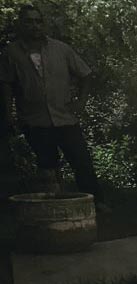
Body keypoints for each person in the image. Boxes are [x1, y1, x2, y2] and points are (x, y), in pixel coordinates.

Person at [0, 4, 101, 200]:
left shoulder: (61, 49)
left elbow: (86, 74)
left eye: (38, 21)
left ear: (43, 24)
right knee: (47, 167)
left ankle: (97, 203)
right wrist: (9, 113)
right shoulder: (11, 53)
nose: (34, 26)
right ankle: (54, 207)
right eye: (29, 22)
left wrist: (81, 101)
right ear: (21, 24)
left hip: (65, 117)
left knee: (82, 161)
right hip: (34, 120)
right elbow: (6, 84)